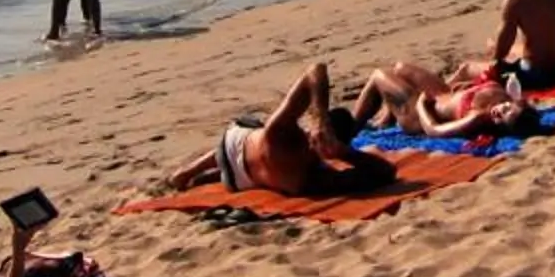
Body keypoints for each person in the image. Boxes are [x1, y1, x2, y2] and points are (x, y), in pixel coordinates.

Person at [162, 63, 397, 197]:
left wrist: (321, 122)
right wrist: (341, 149)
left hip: (230, 151)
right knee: (254, 141)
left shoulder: (285, 138)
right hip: (236, 180)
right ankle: (195, 174)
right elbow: (386, 172)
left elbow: (315, 71)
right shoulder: (310, 180)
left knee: (253, 134)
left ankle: (189, 172)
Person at [349, 60, 546, 141]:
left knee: (379, 75)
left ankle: (350, 128)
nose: (498, 112)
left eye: (501, 119)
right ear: (514, 103)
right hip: (444, 94)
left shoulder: (477, 118)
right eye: (505, 109)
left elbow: (434, 131)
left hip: (420, 114)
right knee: (401, 68)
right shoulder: (508, 97)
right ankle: (387, 118)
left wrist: (421, 107)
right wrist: (467, 88)